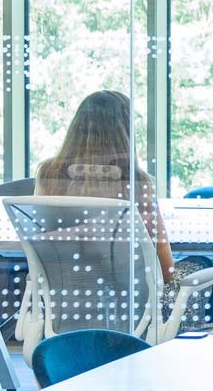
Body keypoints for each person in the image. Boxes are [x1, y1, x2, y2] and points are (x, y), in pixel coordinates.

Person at [35, 89, 175, 285]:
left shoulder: (50, 173)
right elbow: (165, 268)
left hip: (63, 294)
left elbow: (40, 242)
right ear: (126, 133)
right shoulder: (136, 181)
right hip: (129, 298)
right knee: (197, 265)